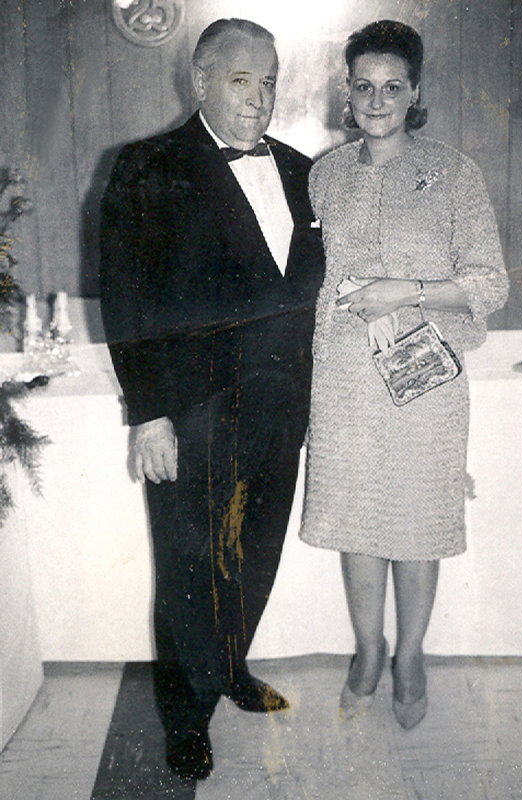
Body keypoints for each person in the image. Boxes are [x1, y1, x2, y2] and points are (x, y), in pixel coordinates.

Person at [99, 18, 324, 780]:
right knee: (190, 568)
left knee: (255, 552)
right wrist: (147, 415)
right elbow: (126, 300)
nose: (258, 99)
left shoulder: (300, 170)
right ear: (200, 81)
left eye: (269, 82)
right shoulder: (147, 166)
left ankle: (229, 669)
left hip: (279, 409)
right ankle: (186, 717)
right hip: (192, 412)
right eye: (240, 80)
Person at [299, 20, 509, 730]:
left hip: (425, 382)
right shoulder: (324, 176)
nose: (377, 100)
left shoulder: (454, 173)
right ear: (347, 90)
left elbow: (489, 284)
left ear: (415, 91)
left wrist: (405, 291)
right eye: (364, 86)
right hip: (344, 381)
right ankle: (369, 649)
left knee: (417, 522)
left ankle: (410, 656)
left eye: (393, 87)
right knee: (359, 521)